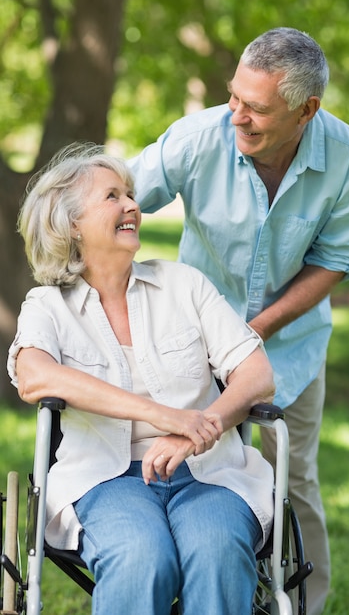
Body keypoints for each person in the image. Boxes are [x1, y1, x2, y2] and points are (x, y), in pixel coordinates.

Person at [127, 27, 349, 614]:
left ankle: (302, 605)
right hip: (195, 349)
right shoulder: (198, 138)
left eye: (256, 108)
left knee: (294, 479)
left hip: (291, 345)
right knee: (200, 474)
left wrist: (254, 331)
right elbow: (119, 197)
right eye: (234, 97)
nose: (236, 116)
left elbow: (336, 260)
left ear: (305, 110)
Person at [7, 144, 276, 615]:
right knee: (140, 557)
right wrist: (163, 417)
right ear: (71, 224)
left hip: (209, 471)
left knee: (216, 552)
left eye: (130, 194)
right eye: (112, 196)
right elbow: (33, 376)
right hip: (106, 478)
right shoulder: (47, 306)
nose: (132, 205)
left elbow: (256, 375)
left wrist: (199, 429)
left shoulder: (183, 285)